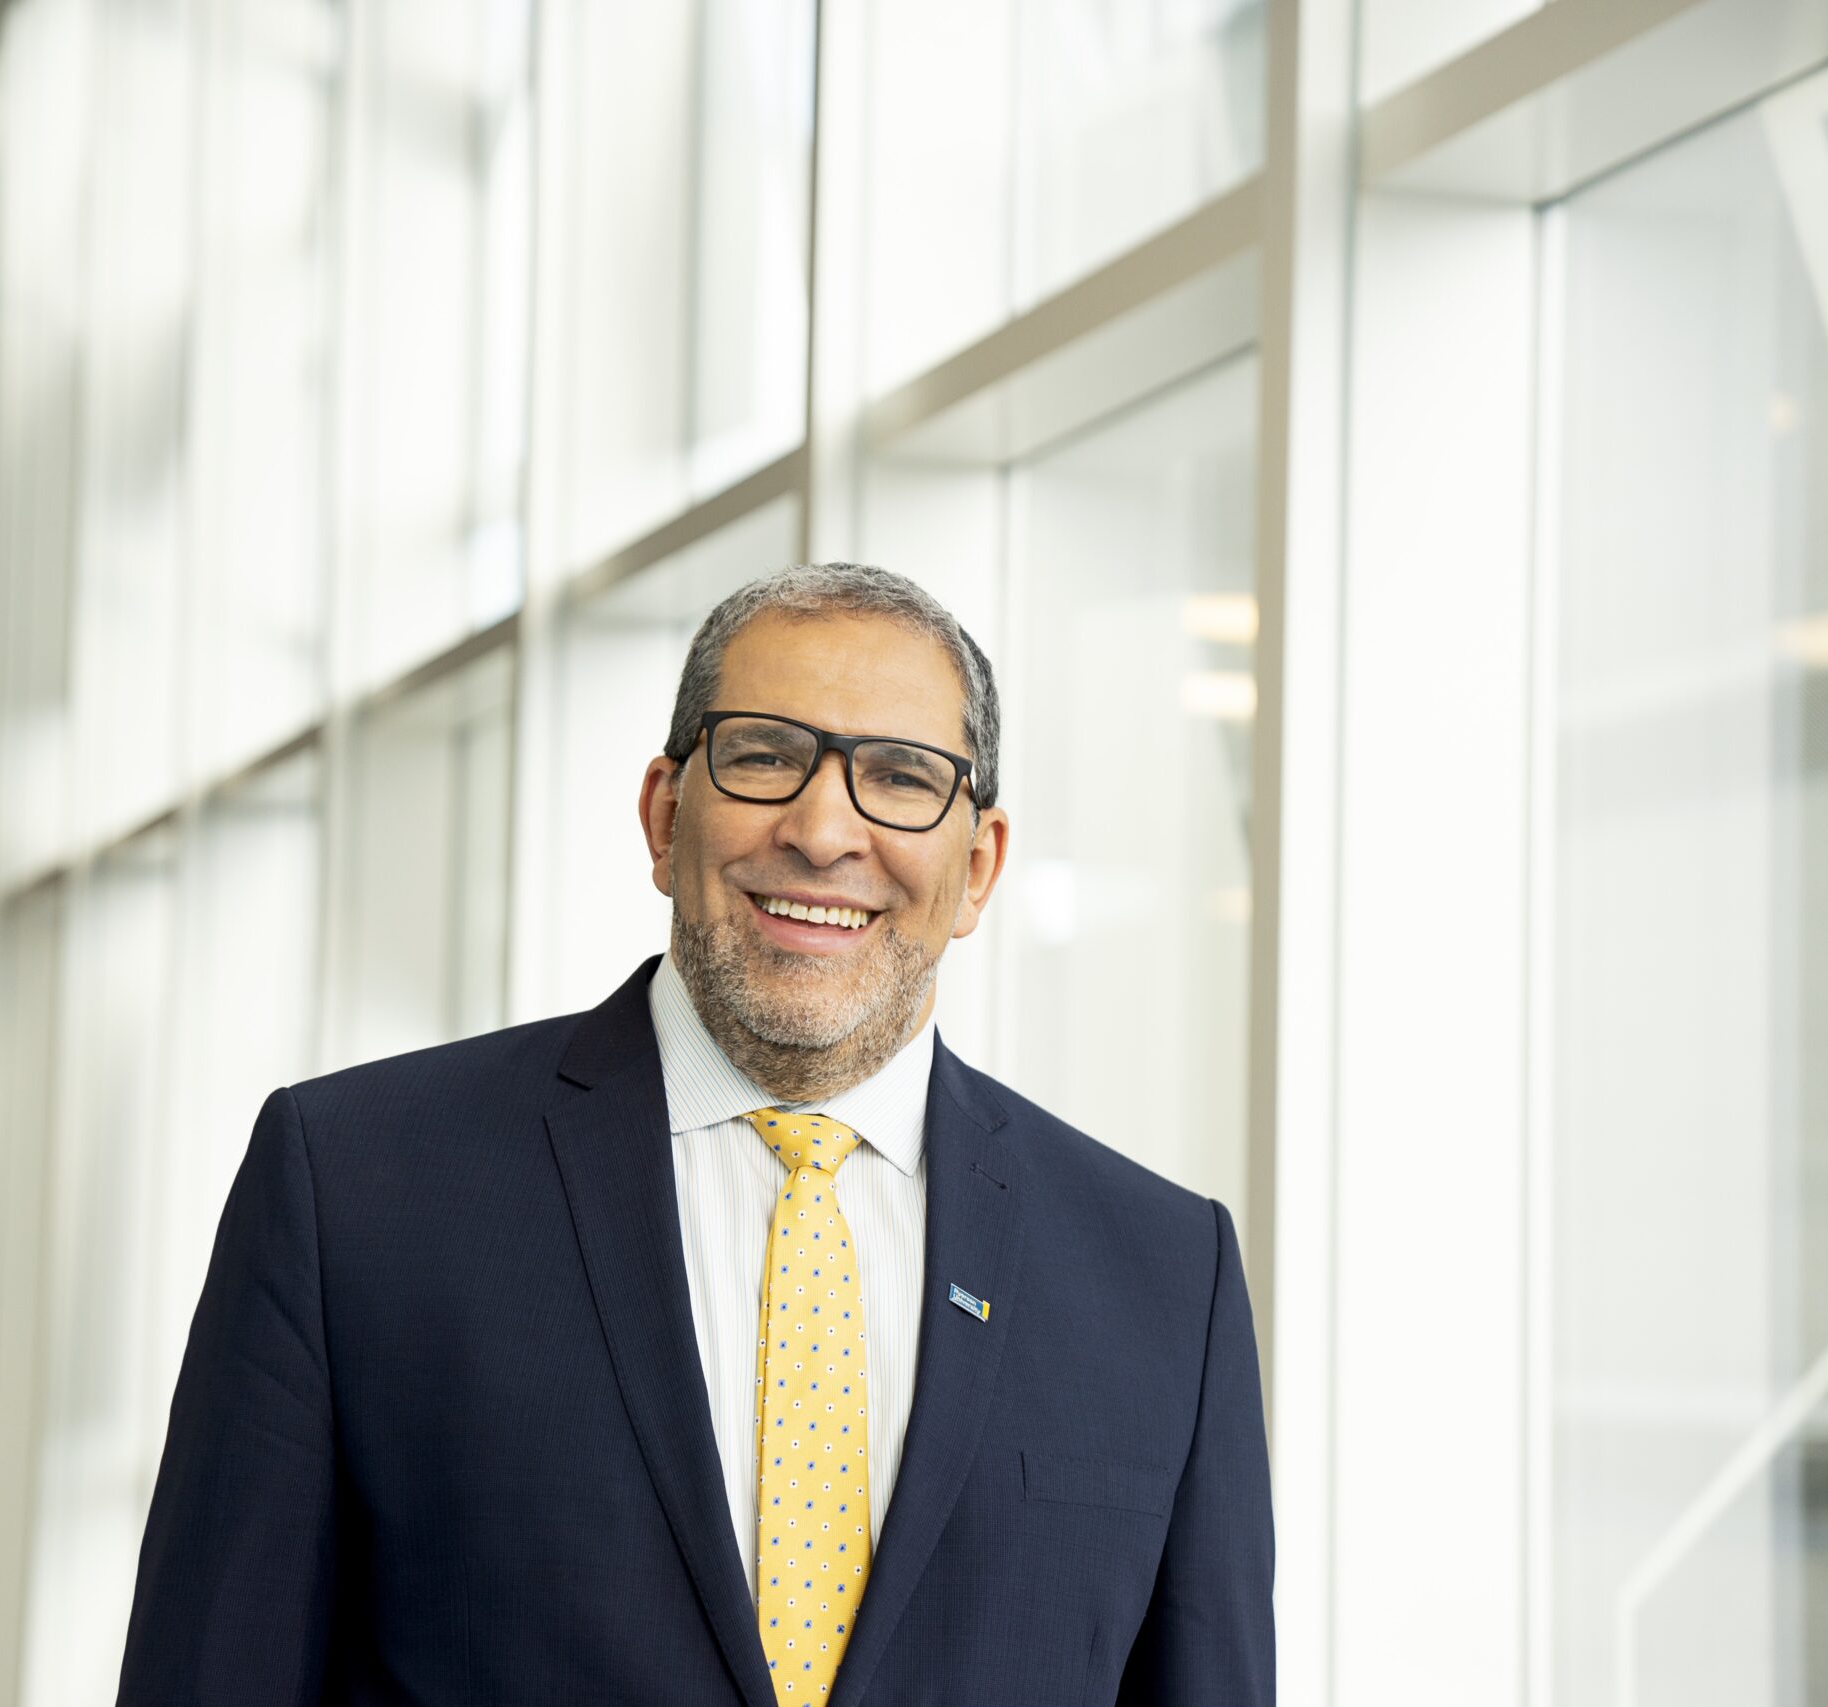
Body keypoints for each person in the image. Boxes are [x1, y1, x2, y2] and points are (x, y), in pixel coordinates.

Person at [115, 563, 1275, 1705]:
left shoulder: (1167, 1280)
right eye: (766, 756)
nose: (824, 831)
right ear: (665, 813)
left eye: (900, 778)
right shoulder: (356, 1187)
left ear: (976, 868)